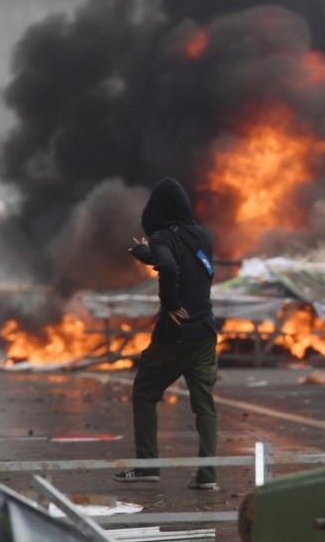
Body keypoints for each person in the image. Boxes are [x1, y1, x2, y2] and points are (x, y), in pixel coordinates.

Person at [114, 178, 220, 489]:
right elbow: (179, 262)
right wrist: (145, 254)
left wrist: (170, 303)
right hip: (204, 333)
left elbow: (171, 267)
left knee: (145, 394)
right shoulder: (204, 235)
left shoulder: (161, 236)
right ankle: (208, 475)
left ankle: (148, 465)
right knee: (205, 405)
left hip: (174, 337)